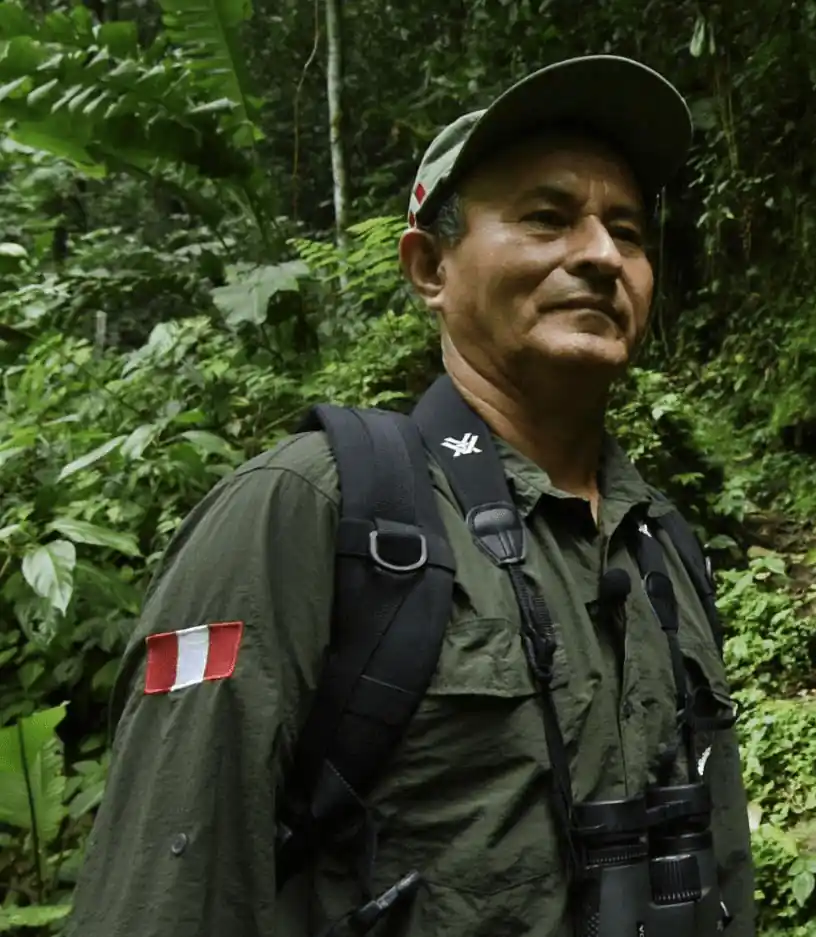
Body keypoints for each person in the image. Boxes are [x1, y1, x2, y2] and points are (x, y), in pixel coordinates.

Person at [64, 55, 756, 937]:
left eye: (627, 231)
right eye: (547, 219)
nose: (599, 255)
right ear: (429, 267)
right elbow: (163, 894)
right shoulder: (315, 510)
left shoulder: (662, 542)